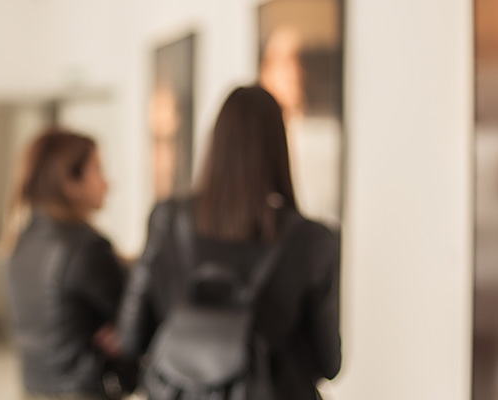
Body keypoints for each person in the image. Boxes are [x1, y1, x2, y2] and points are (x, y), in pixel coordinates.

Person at [118, 86, 341, 399]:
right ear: (279, 146)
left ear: (216, 142)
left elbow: (131, 338)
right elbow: (328, 363)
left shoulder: (167, 220)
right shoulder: (312, 239)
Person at [2, 127, 128, 400]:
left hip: (34, 388)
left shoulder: (20, 241)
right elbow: (133, 317)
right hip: (83, 390)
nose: (107, 183)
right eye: (98, 170)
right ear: (70, 181)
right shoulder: (86, 246)